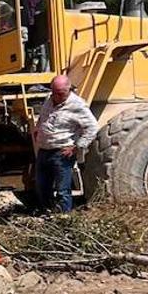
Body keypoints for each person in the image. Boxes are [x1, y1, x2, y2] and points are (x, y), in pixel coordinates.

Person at [33, 75, 98, 213]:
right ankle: (48, 214)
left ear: (69, 90)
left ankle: (64, 218)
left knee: (63, 190)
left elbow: (92, 127)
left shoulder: (77, 105)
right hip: (44, 151)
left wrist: (78, 146)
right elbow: (43, 117)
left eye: (60, 93)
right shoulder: (48, 100)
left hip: (61, 153)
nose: (56, 96)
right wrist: (38, 129)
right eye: (54, 93)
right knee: (42, 187)